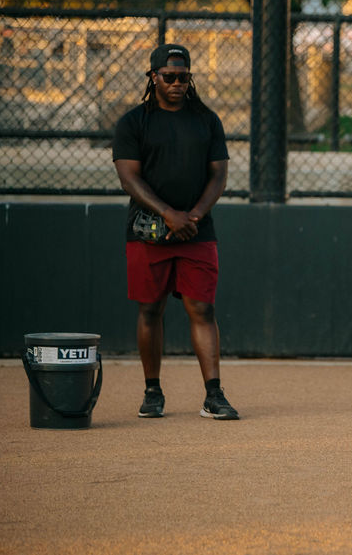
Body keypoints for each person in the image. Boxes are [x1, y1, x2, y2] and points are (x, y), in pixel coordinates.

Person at [112, 43, 239, 421]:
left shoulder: (206, 120)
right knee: (151, 309)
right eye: (169, 77)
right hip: (148, 231)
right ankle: (153, 392)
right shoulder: (134, 122)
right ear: (153, 77)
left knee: (201, 307)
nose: (178, 84)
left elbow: (219, 173)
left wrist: (194, 216)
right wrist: (168, 214)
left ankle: (213, 395)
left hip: (197, 232)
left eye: (184, 77)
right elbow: (128, 176)